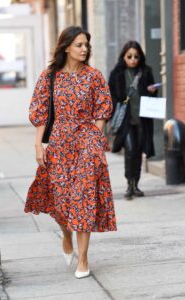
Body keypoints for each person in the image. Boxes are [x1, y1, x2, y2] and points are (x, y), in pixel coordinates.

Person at [24, 26, 117, 279]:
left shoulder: (94, 76)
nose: (84, 49)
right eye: (79, 45)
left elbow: (103, 109)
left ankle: (84, 259)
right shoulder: (49, 77)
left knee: (83, 200)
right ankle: (66, 236)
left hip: (87, 143)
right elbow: (40, 112)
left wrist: (95, 137)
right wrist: (38, 146)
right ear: (66, 47)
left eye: (86, 44)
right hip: (59, 144)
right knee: (62, 202)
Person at [108, 41, 157, 200]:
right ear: (123, 56)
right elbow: (110, 95)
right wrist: (117, 106)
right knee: (130, 151)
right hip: (126, 120)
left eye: (136, 56)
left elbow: (152, 96)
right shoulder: (117, 73)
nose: (133, 59)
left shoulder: (146, 71)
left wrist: (152, 91)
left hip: (142, 118)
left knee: (138, 152)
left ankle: (136, 184)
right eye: (129, 56)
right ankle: (130, 184)